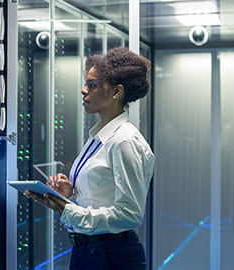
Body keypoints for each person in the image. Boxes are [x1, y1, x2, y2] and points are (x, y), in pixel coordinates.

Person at [25, 47, 155, 270]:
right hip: (88, 251)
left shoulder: (124, 141)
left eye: (92, 85)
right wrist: (69, 195)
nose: (84, 91)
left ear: (117, 92)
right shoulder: (99, 136)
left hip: (112, 256)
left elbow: (129, 215)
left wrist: (68, 210)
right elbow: (98, 199)